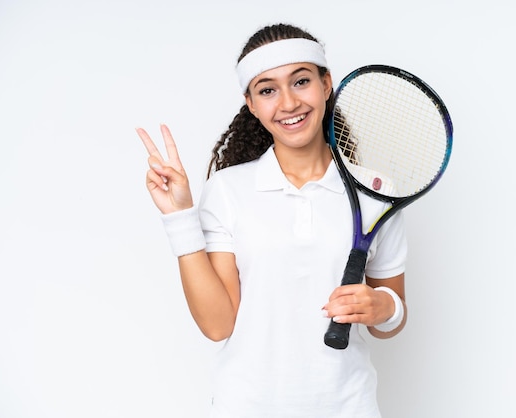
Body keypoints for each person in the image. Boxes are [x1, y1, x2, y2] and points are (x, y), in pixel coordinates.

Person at [137, 23, 408, 418]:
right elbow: (218, 324)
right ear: (250, 103)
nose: (288, 103)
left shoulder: (376, 192)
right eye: (267, 89)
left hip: (350, 407)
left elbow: (392, 319)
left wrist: (383, 307)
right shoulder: (228, 189)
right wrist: (180, 217)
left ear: (326, 83)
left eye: (301, 81)